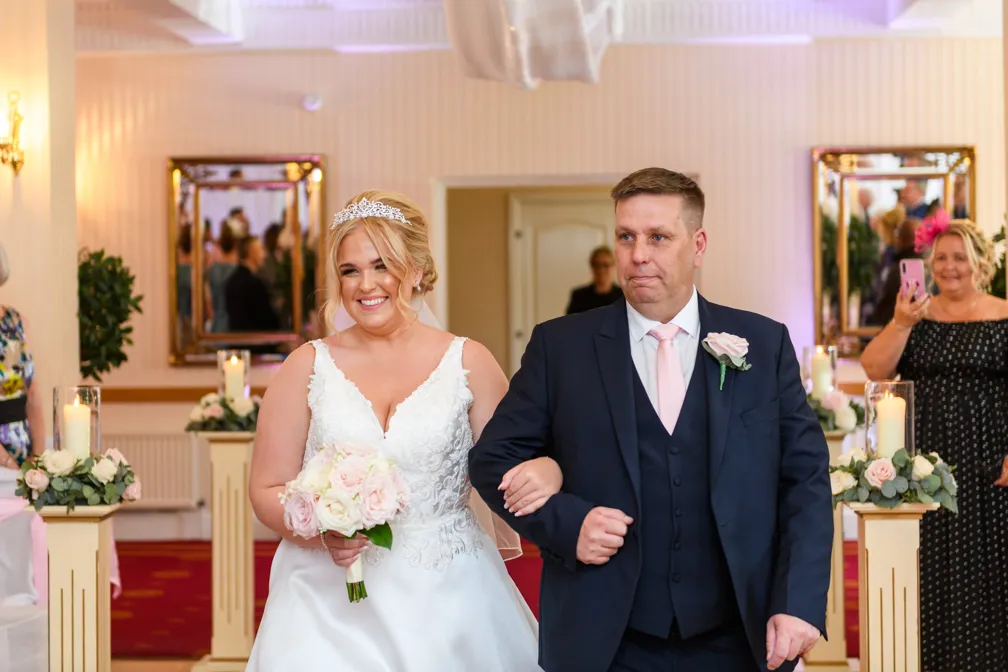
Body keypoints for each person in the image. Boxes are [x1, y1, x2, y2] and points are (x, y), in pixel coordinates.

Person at [469, 167, 832, 672]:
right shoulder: (561, 347)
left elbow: (805, 479)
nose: (638, 254)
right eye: (626, 237)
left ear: (698, 245)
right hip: (605, 638)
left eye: (658, 237)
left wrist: (798, 600)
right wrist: (568, 525)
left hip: (737, 634)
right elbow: (491, 461)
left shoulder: (764, 344)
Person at [247, 190, 557, 671]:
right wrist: (323, 530)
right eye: (350, 270)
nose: (365, 284)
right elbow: (266, 489)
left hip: (449, 592)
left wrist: (551, 470)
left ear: (415, 270)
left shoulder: (469, 362)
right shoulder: (306, 366)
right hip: (324, 599)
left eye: (382, 266)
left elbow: (512, 469)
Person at [860, 213, 1008, 672]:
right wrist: (901, 322)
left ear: (980, 262)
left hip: (991, 460)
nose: (949, 267)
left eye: (959, 257)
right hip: (928, 468)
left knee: (988, 568)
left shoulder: (1003, 314)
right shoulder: (914, 316)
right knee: (933, 569)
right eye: (940, 258)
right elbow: (874, 368)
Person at [0, 245, 44, 472]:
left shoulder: (18, 323)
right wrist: (8, 464)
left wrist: (37, 458)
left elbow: (32, 394)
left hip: (22, 450)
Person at [225, 236, 280, 332]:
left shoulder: (231, 280)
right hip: (255, 339)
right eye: (261, 250)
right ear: (252, 253)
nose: (264, 255)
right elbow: (268, 322)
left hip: (236, 338)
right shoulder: (255, 284)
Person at [566, 246, 624, 314]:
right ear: (592, 266)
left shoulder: (623, 296)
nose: (601, 270)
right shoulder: (579, 296)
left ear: (614, 266)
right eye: (597, 265)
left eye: (605, 265)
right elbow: (570, 320)